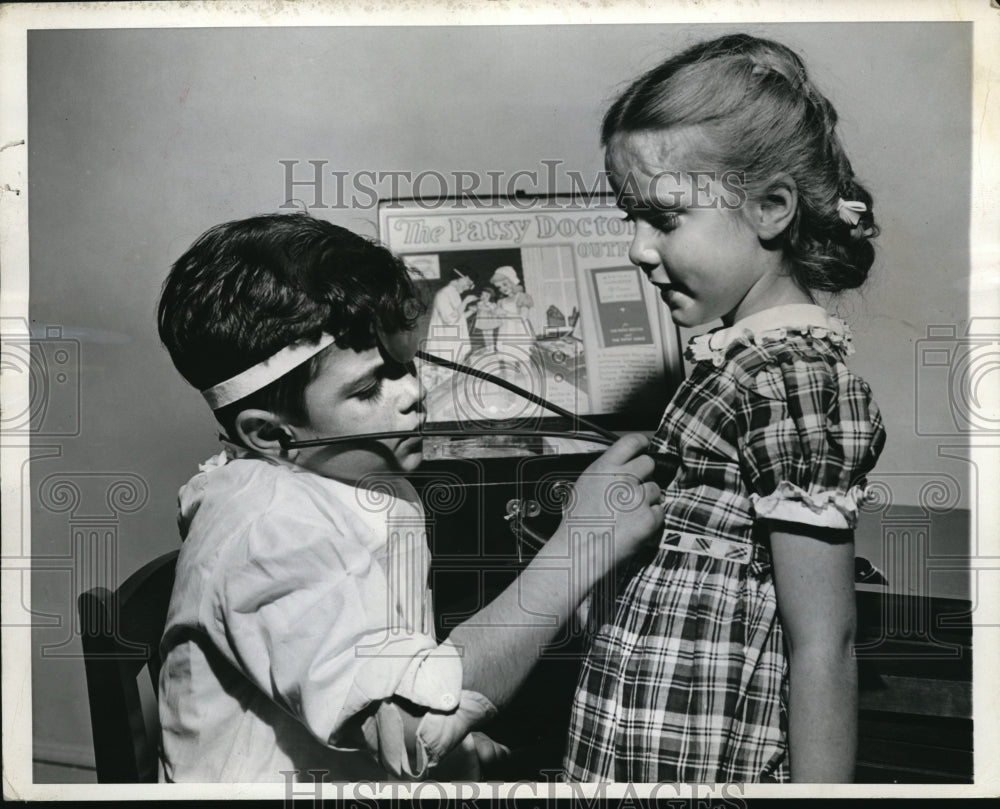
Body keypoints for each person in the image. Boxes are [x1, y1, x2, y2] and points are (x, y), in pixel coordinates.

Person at [155, 212, 666, 782]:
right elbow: (412, 725)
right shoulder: (271, 531)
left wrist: (473, 753)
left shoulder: (347, 476)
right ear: (271, 435)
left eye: (405, 364)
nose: (414, 392)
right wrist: (582, 548)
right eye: (371, 386)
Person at [564, 34, 887, 783]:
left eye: (665, 218)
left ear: (772, 207)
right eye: (629, 218)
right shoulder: (736, 362)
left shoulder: (794, 380)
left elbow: (825, 641)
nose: (640, 249)